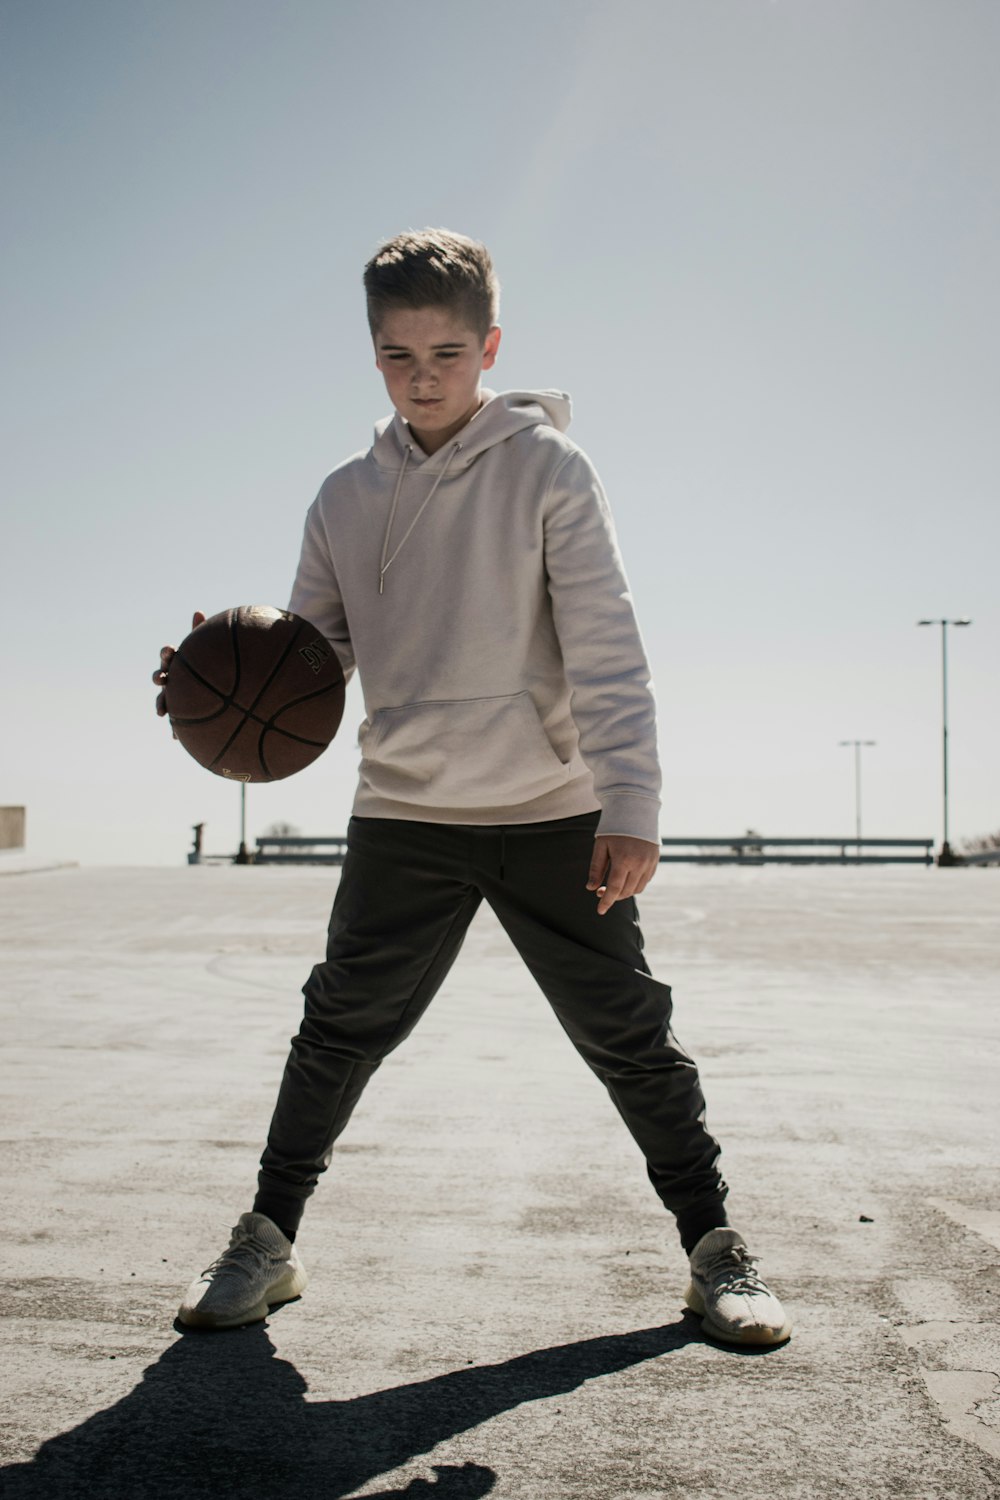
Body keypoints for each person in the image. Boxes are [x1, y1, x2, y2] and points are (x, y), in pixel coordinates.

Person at [154, 229, 791, 1346]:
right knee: (335, 1032)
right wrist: (221, 667)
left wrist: (631, 803)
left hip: (551, 810)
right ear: (373, 357)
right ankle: (267, 1238)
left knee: (628, 1033)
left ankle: (713, 1250)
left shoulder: (550, 470)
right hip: (405, 813)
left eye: (447, 352)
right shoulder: (344, 498)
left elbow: (605, 642)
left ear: (489, 346)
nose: (424, 376)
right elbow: (314, 657)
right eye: (398, 356)